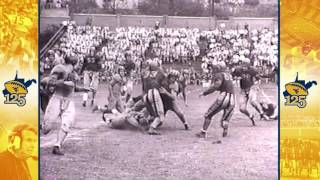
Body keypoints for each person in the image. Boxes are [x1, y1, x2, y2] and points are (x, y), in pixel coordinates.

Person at [42, 56, 91, 155]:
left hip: (68, 100)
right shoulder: (59, 68)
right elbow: (51, 82)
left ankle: (57, 145)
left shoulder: (73, 73)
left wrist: (84, 89)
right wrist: (64, 83)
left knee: (67, 123)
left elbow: (72, 88)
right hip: (57, 98)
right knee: (46, 129)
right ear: (75, 63)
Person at [196, 64, 235, 138]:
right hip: (232, 98)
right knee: (225, 118)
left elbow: (217, 85)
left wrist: (205, 93)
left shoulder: (219, 75)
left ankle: (203, 133)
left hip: (224, 97)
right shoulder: (228, 75)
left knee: (208, 115)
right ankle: (225, 131)